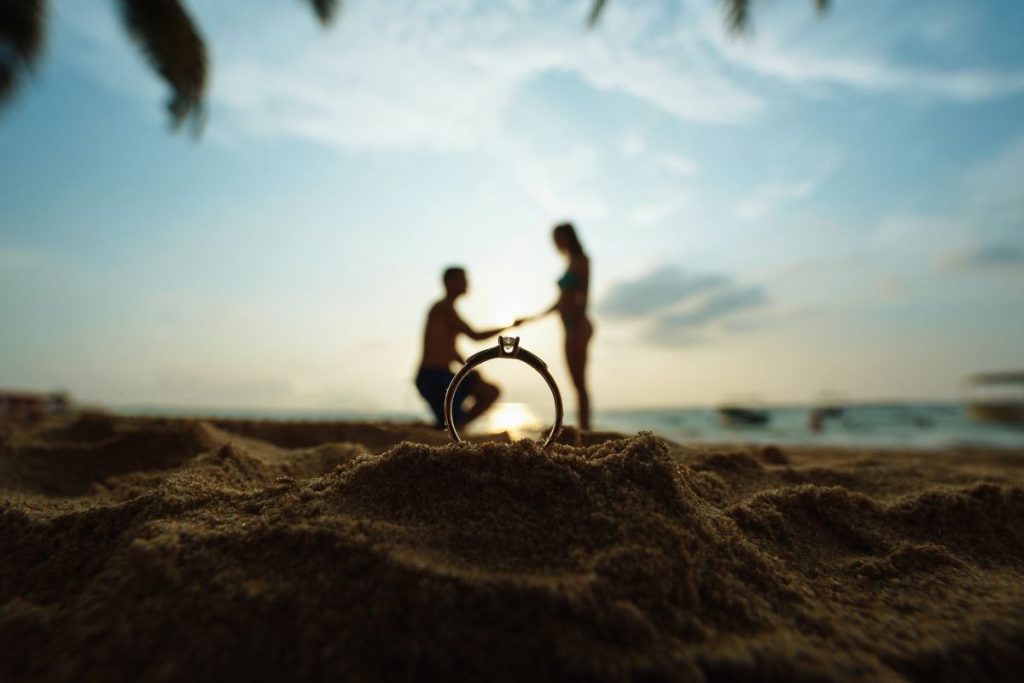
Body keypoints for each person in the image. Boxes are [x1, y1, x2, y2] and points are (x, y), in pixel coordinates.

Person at [516, 222, 593, 430]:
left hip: (578, 325)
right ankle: (583, 426)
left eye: (559, 237)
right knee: (575, 382)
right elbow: (560, 301)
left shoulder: (582, 260)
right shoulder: (568, 263)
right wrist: (533, 317)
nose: (556, 242)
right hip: (568, 326)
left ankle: (586, 428)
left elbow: (584, 296)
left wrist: (575, 320)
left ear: (569, 237)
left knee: (580, 382)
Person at [416, 267, 511, 429]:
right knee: (451, 422)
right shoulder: (443, 308)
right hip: (434, 378)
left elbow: (448, 350)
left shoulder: (445, 310)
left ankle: (457, 426)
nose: (467, 282)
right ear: (449, 282)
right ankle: (458, 426)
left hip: (442, 376)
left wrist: (468, 368)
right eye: (462, 278)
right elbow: (475, 335)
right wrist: (510, 325)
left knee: (488, 391)